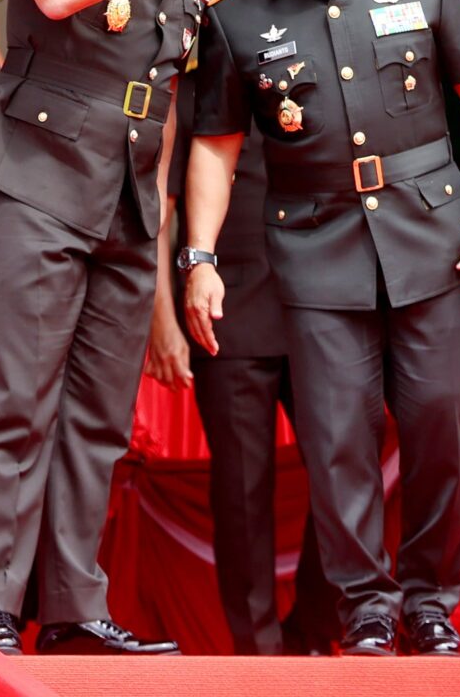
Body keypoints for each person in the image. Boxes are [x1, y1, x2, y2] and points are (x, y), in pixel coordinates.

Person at [183, 0, 460, 657]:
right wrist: (199, 256)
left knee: (441, 420)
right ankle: (366, 607)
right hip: (313, 244)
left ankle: (430, 601)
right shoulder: (236, 6)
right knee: (337, 440)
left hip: (433, 236)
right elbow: (214, 146)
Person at [0, 0, 253, 657]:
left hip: (126, 199)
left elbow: (163, 106)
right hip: (38, 181)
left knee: (98, 416)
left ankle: (75, 607)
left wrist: (166, 257)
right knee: (16, 402)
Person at [148, 71, 341, 655]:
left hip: (325, 313)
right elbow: (160, 212)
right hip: (225, 317)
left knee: (352, 476)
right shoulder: (196, 93)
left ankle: (313, 627)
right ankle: (259, 655)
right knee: (241, 494)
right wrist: (162, 318)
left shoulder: (321, 71)